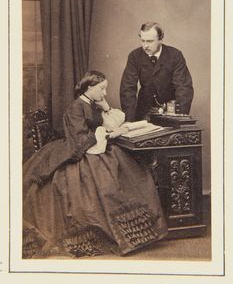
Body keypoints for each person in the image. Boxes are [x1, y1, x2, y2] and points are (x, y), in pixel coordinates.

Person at [23, 70, 168, 259]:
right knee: (108, 184)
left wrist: (106, 108)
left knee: (135, 171)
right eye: (102, 89)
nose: (105, 93)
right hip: (81, 153)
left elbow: (105, 123)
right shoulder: (76, 108)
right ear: (90, 87)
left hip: (97, 148)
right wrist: (108, 134)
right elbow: (79, 141)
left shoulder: (92, 103)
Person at [120, 22, 194, 121]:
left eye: (150, 41)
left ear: (161, 39)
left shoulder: (175, 55)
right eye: (143, 41)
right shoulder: (134, 56)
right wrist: (129, 120)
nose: (145, 46)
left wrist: (179, 117)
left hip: (170, 111)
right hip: (143, 111)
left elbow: (183, 88)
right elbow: (127, 89)